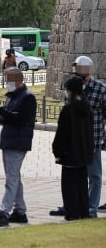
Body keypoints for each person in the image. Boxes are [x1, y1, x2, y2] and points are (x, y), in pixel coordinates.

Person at [0, 68, 36, 227]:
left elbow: (21, 119)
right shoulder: (12, 96)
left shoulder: (27, 97)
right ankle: (20, 211)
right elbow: (7, 118)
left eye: (8, 80)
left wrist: (2, 110)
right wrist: (1, 112)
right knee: (14, 177)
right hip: (8, 140)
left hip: (18, 142)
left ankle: (4, 212)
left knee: (11, 178)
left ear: (17, 81)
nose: (6, 83)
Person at [52, 76, 94, 221]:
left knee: (69, 186)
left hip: (70, 154)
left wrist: (57, 151)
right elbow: (90, 133)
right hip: (84, 154)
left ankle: (73, 213)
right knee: (82, 185)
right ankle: (84, 212)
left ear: (70, 91)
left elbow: (62, 133)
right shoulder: (87, 108)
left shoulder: (68, 109)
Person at [74, 56, 106, 216]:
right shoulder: (73, 88)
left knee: (94, 176)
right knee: (78, 176)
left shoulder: (101, 89)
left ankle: (91, 209)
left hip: (93, 140)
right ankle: (79, 206)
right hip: (77, 141)